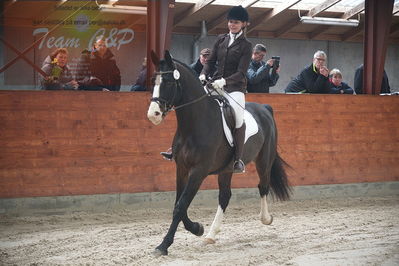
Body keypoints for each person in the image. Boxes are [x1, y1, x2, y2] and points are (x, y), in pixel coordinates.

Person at [202, 5, 252, 173]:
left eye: (236, 22)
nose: (232, 25)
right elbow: (210, 61)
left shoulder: (246, 45)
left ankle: (237, 159)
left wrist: (224, 81)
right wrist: (203, 74)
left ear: (243, 24)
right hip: (215, 83)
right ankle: (176, 147)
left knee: (238, 118)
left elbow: (241, 72)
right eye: (230, 22)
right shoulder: (221, 39)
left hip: (235, 88)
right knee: (194, 106)